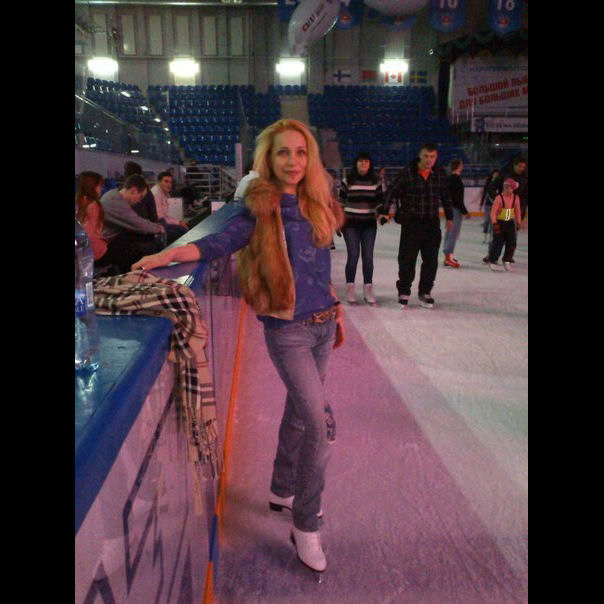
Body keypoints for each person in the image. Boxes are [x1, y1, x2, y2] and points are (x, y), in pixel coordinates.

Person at [131, 118, 345, 573]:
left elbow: (317, 267)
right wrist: (169, 254)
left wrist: (334, 306)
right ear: (268, 158)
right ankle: (305, 523)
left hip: (324, 325)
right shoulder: (260, 209)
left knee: (300, 412)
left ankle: (282, 488)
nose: (293, 161)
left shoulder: (316, 203)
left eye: (301, 152)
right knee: (321, 425)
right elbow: (216, 243)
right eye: (283, 152)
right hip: (288, 331)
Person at [386, 143, 454, 309]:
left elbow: (446, 196)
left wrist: (450, 217)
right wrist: (384, 210)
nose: (429, 160)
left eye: (432, 157)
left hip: (431, 224)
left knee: (431, 261)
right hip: (411, 223)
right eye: (426, 156)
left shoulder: (439, 174)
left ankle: (425, 292)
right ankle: (404, 291)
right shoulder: (408, 172)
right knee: (407, 259)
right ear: (420, 156)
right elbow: (391, 191)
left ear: (436, 157)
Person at [338, 152, 387, 305]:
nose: (364, 164)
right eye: (361, 161)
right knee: (353, 256)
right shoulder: (348, 180)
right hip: (350, 224)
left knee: (368, 257)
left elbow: (380, 201)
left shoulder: (375, 181)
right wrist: (337, 221)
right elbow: (340, 202)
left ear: (370, 164)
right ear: (356, 163)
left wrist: (381, 214)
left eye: (366, 161)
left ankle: (368, 288)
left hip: (368, 225)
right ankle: (350, 287)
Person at [100, 174, 166, 274]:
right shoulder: (115, 202)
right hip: (106, 246)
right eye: (141, 196)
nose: (140, 201)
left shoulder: (114, 194)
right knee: (149, 248)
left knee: (147, 239)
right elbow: (139, 224)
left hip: (113, 240)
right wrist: (159, 228)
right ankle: (131, 275)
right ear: (134, 191)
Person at [486, 178, 522, 271]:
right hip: (499, 223)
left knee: (512, 243)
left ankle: (507, 260)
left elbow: (517, 211)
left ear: (513, 188)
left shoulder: (516, 198)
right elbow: (493, 212)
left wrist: (518, 222)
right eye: (505, 187)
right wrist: (495, 223)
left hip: (510, 223)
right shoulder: (499, 198)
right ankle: (493, 260)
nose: (507, 189)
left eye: (509, 187)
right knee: (498, 243)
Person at [442, 159, 470, 268]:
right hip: (455, 209)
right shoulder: (456, 180)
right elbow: (458, 198)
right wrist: (465, 211)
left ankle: (447, 255)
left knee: (450, 232)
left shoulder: (449, 179)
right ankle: (448, 256)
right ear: (459, 166)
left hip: (450, 208)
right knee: (453, 233)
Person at [151, 171, 189, 244]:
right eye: (166, 181)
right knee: (182, 231)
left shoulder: (163, 193)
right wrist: (178, 222)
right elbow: (160, 217)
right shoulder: (156, 194)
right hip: (156, 226)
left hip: (161, 224)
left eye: (170, 182)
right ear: (159, 182)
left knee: (183, 228)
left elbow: (164, 215)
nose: (169, 184)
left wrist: (179, 222)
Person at [488, 156, 528, 224]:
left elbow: (526, 195)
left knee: (513, 229)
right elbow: (491, 188)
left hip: (517, 211)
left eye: (523, 167)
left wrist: (522, 209)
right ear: (514, 165)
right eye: (520, 166)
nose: (521, 169)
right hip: (503, 211)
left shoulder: (525, 178)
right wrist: (498, 200)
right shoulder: (505, 175)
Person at [479, 169, 501, 244]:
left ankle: (491, 238)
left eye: (497, 174)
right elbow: (485, 193)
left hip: (495, 205)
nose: (496, 175)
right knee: (486, 221)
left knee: (493, 222)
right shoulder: (488, 183)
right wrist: (481, 203)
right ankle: (485, 236)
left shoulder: (500, 184)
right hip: (488, 204)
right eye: (495, 174)